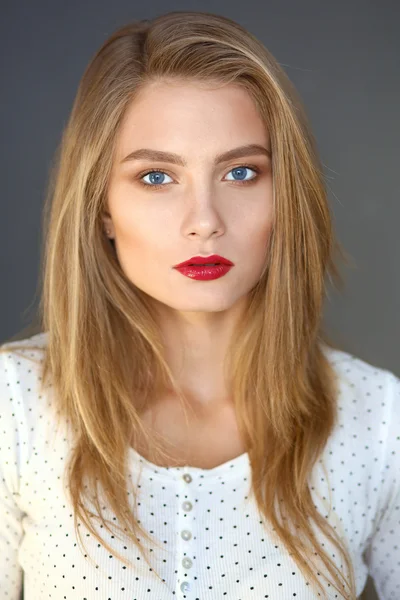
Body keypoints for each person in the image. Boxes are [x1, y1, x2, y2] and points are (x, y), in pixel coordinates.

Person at [0, 10, 398, 600]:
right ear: (102, 206)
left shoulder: (380, 423)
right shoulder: (14, 407)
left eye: (241, 172)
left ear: (285, 193)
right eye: (157, 177)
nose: (205, 222)